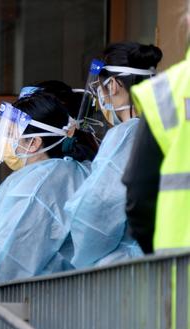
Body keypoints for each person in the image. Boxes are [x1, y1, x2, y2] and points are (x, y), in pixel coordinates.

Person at [0, 91, 95, 329]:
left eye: (11, 135)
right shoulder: (68, 172)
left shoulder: (36, 187)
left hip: (42, 317)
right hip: (60, 310)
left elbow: (7, 258)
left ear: (34, 142)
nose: (6, 142)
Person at [65, 42, 162, 267]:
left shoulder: (125, 135)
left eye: (100, 88)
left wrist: (79, 258)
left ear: (114, 85)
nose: (100, 98)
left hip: (128, 268)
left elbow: (96, 210)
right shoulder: (162, 125)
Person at [124, 6, 190, 253]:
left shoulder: (167, 93)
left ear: (187, 20)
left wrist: (155, 253)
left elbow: (139, 196)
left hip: (181, 275)